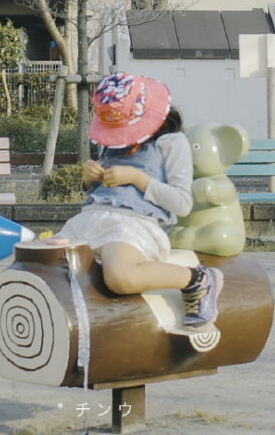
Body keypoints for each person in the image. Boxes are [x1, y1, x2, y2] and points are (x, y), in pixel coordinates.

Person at [50, 71, 223, 330]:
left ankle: (197, 279)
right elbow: (102, 193)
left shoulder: (172, 142)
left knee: (119, 276)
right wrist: (89, 179)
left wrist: (138, 179)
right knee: (45, 262)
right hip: (87, 220)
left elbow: (182, 203)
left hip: (132, 225)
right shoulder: (111, 141)